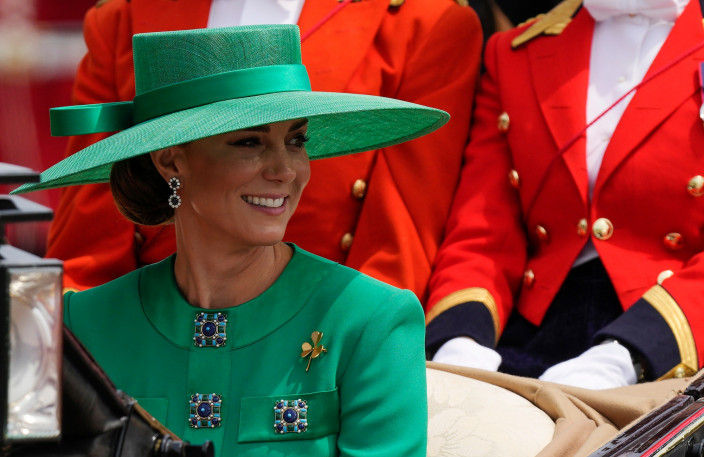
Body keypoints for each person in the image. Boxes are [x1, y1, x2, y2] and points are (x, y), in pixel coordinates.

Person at [17, 24, 445, 457]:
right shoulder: (77, 325)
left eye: (296, 139)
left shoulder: (372, 321)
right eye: (249, 142)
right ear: (171, 160)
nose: (284, 169)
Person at [424, 0, 704, 439]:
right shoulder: (516, 52)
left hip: (692, 345)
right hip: (531, 337)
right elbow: (482, 234)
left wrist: (624, 358)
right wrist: (459, 344)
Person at [44, 0, 482, 300]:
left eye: (299, 139)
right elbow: (89, 257)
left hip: (312, 348)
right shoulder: (124, 15)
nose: (284, 168)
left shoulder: (424, 22)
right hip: (141, 342)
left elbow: (394, 251)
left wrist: (334, 357)